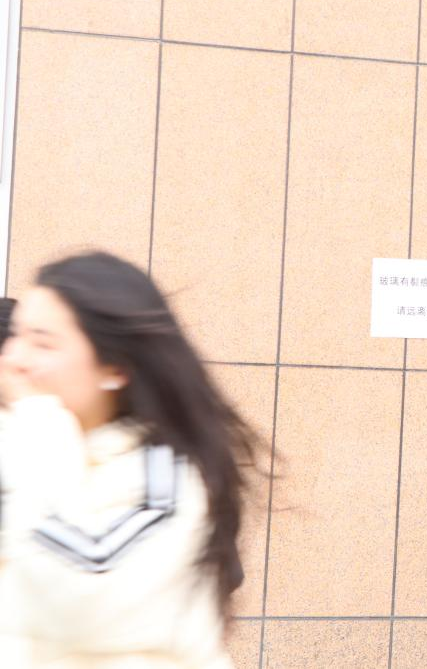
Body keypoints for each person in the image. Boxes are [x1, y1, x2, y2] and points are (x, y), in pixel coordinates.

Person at [0, 252, 256, 668]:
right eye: (17, 336)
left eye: (43, 343)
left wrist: (34, 425)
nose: (15, 359)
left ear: (115, 367)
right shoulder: (32, 446)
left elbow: (79, 596)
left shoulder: (164, 475)